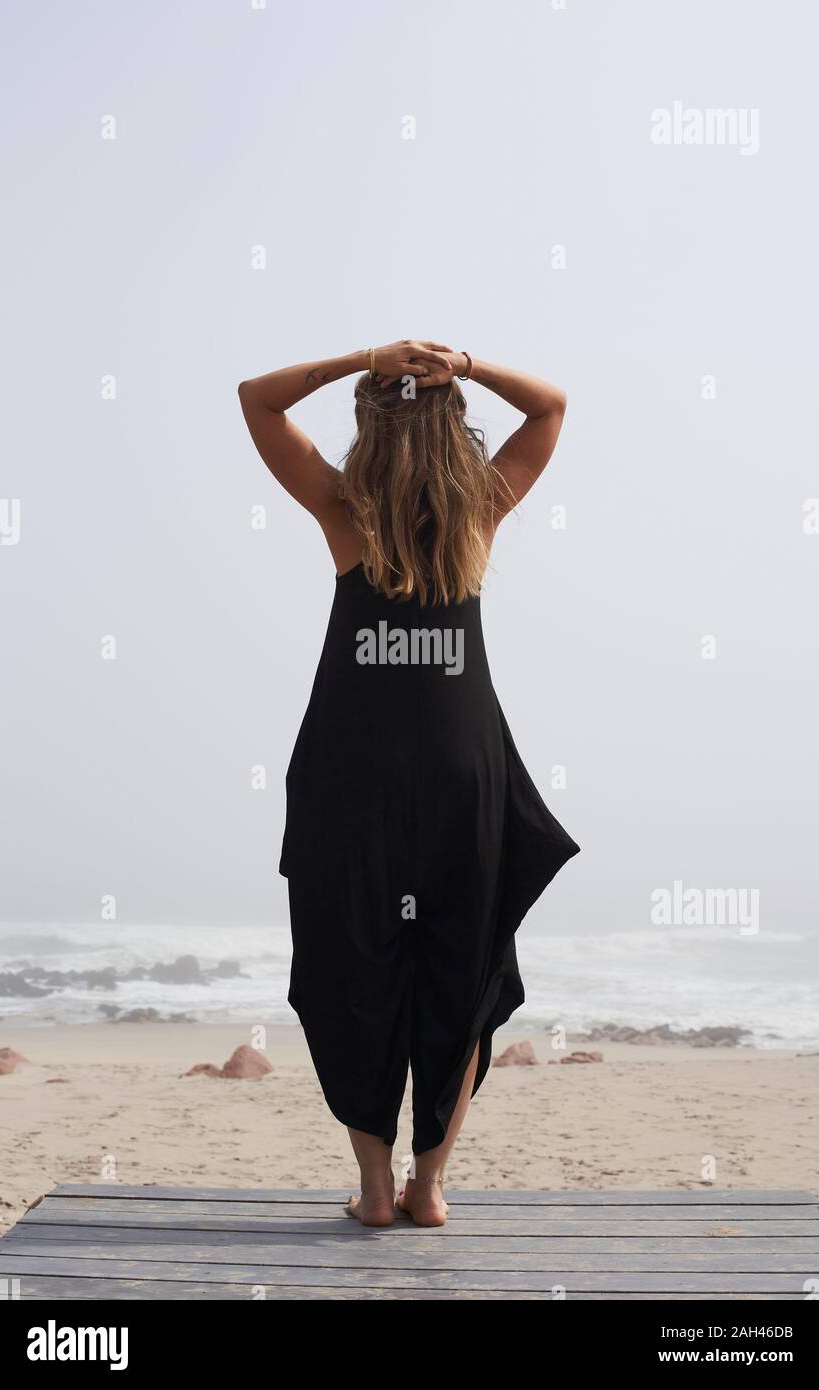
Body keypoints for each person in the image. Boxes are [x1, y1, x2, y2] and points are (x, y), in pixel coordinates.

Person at [238, 341, 580, 1227]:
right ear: (451, 427)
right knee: (462, 969)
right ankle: (430, 1188)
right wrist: (461, 365)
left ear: (368, 426)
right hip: (461, 768)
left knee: (350, 960)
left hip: (353, 770)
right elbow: (548, 409)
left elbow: (257, 400)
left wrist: (368, 357)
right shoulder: (479, 514)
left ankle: (377, 1191)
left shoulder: (345, 512)